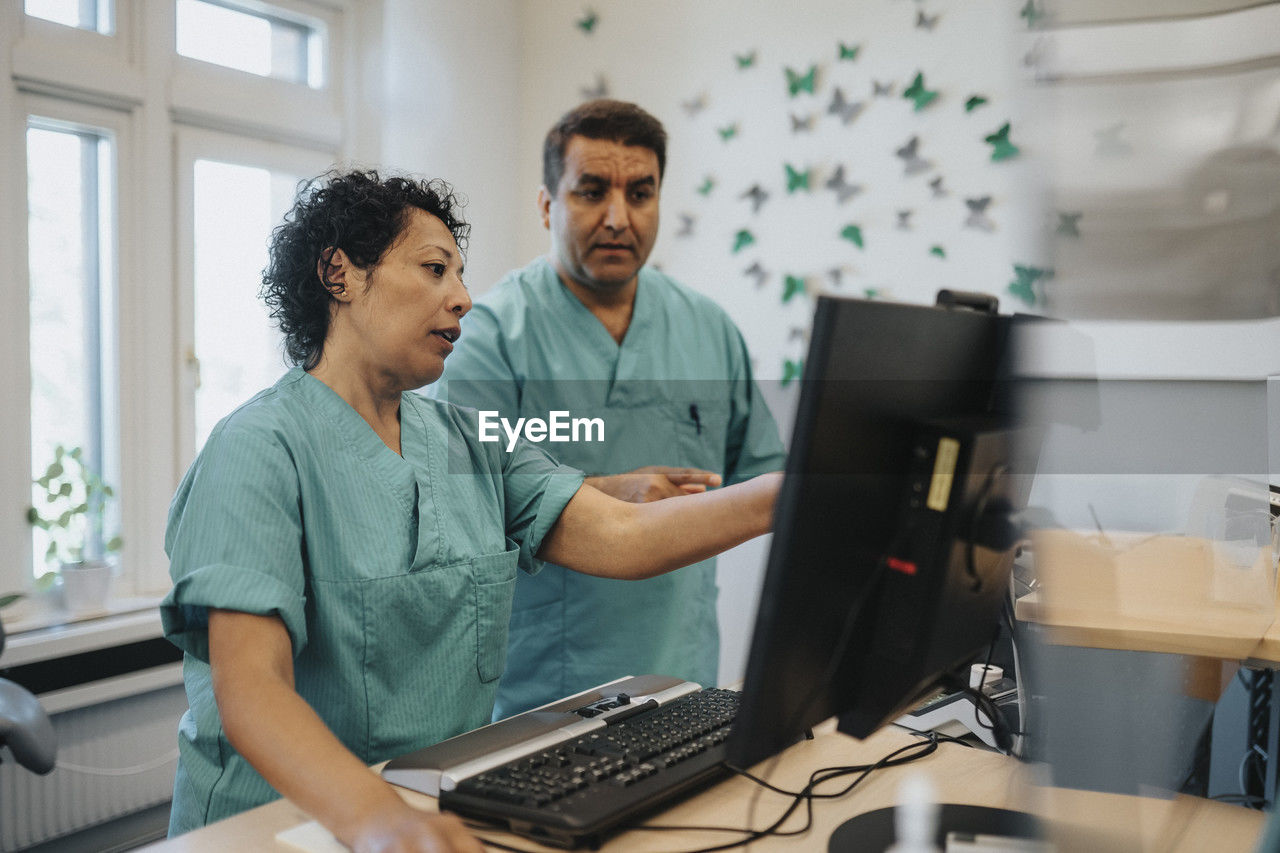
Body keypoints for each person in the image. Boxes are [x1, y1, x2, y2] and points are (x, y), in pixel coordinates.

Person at [159, 170, 780, 851]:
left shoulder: (474, 437)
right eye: (434, 270)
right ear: (338, 273)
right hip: (279, 826)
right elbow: (252, 690)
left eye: (460, 275)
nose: (461, 299)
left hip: (437, 813)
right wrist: (375, 816)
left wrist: (789, 493)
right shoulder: (256, 449)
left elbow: (624, 536)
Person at [433, 100, 786, 718]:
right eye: (591, 192)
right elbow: (458, 512)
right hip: (547, 692)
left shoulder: (708, 329)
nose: (618, 218)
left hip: (687, 679)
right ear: (548, 204)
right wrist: (601, 495)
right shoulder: (491, 337)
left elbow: (765, 481)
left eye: (640, 193)